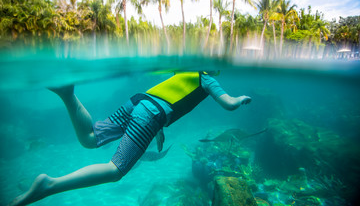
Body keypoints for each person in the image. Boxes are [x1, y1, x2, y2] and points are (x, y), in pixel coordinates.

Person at [9, 71, 251, 206]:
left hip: (137, 101)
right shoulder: (206, 78)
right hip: (150, 114)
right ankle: (49, 185)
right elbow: (228, 104)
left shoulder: (183, 71)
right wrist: (239, 100)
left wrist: (159, 128)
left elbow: (167, 96)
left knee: (90, 138)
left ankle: (67, 95)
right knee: (116, 169)